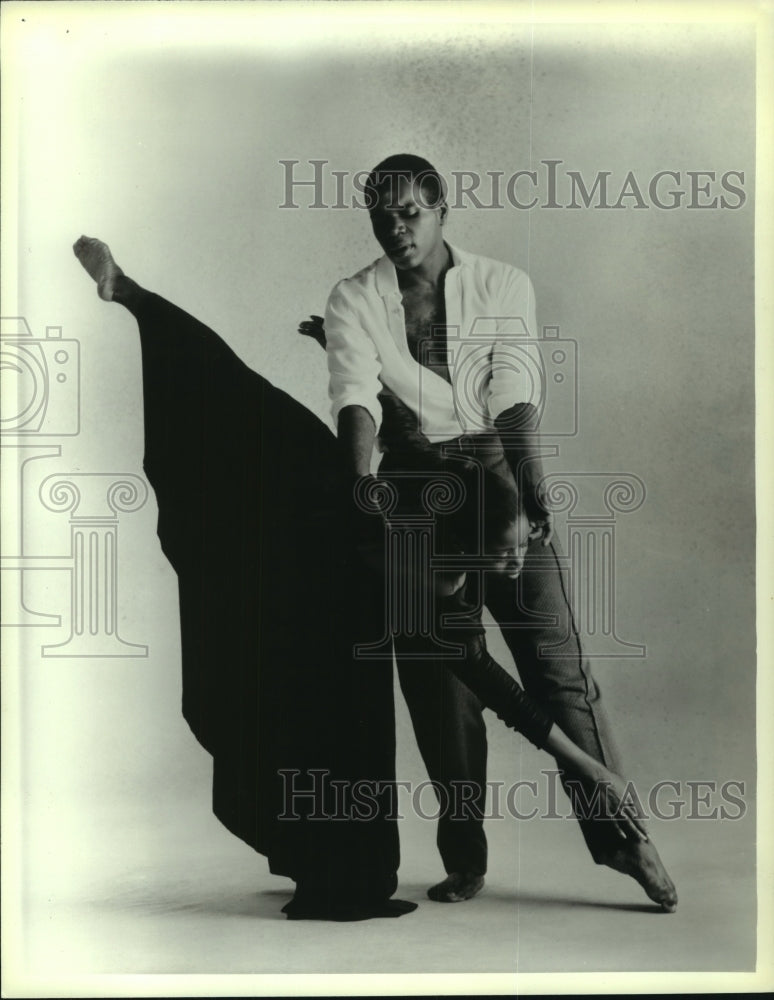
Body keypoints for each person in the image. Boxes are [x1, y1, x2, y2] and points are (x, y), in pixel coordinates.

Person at [314, 152, 678, 911]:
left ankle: (625, 840)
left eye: (410, 211)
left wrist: (528, 486)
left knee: (559, 671)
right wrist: (358, 481)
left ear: (442, 207)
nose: (396, 228)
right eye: (382, 216)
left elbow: (512, 384)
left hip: (498, 469)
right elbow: (354, 394)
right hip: (413, 488)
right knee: (439, 685)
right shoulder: (354, 297)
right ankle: (466, 855)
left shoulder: (502, 283)